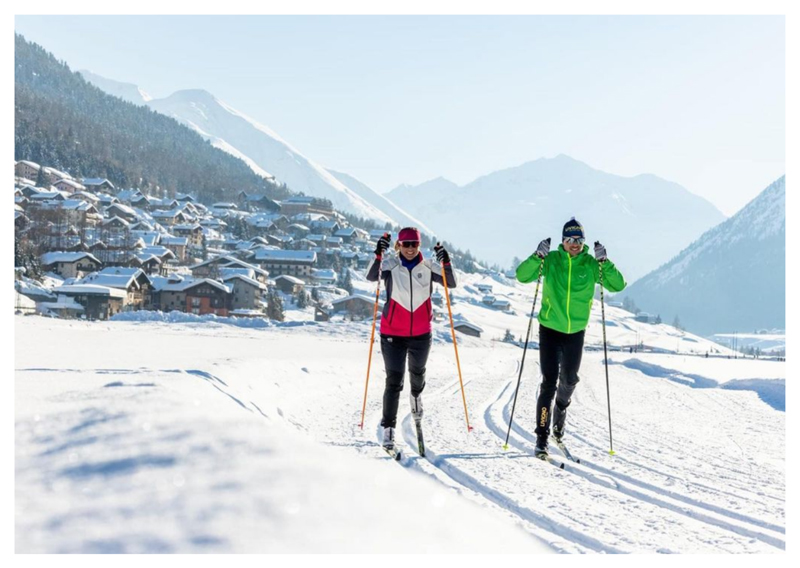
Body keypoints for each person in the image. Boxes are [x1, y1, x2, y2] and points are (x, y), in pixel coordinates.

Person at [516, 218, 626, 458]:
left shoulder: (590, 264)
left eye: (578, 240)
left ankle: (561, 412)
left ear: (583, 242)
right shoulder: (552, 260)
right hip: (550, 328)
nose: (574, 244)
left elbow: (618, 285)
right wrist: (537, 256)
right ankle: (542, 437)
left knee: (569, 380)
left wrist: (604, 262)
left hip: (575, 331)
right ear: (562, 240)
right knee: (549, 382)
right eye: (569, 239)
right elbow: (522, 276)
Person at [366, 227, 456, 454]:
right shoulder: (390, 265)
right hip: (392, 334)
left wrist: (446, 262)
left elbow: (451, 283)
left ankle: (416, 397)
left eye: (414, 244)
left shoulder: (428, 267)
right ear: (399, 245)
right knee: (394, 381)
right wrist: (378, 254)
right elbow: (370, 275)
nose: (410, 249)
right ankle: (388, 429)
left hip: (420, 334)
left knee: (417, 375)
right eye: (405, 244)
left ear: (419, 245)